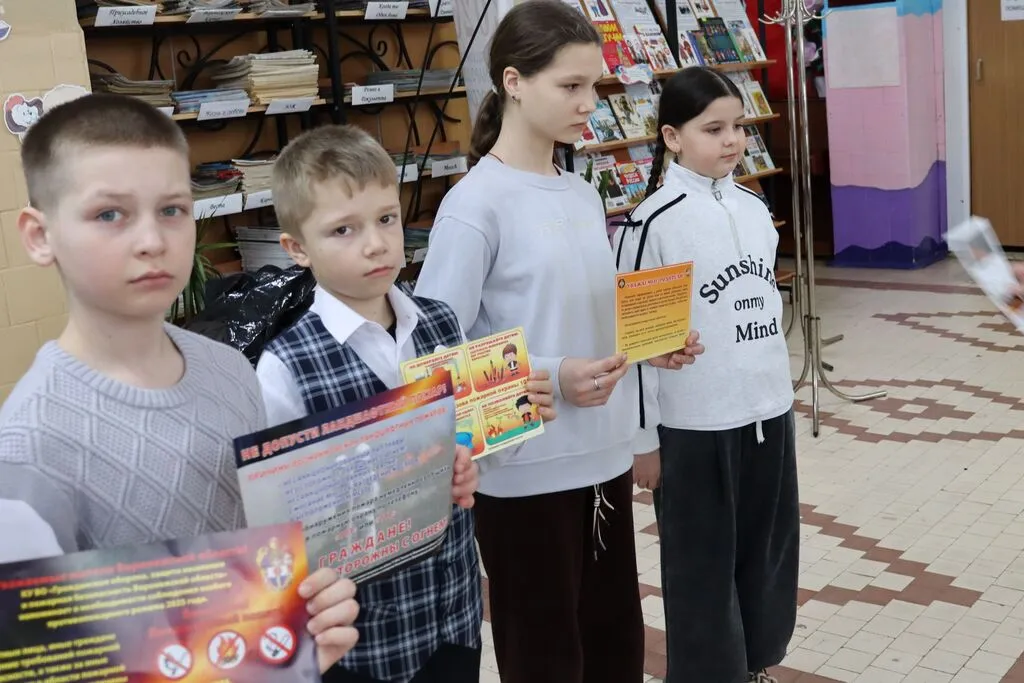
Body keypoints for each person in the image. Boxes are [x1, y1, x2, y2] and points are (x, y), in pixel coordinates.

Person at [0, 93, 360, 671]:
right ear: (40, 236)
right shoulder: (27, 446)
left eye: (172, 209)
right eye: (109, 214)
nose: (153, 239)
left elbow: (261, 553)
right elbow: (44, 659)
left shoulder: (230, 369)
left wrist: (300, 623)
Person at [413, 2, 703, 682]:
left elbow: (575, 315)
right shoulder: (473, 206)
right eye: (571, 85)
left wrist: (646, 343)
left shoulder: (579, 193)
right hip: (524, 478)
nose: (589, 103)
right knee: (546, 661)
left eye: (593, 85)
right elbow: (429, 362)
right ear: (513, 82)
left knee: (614, 654)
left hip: (602, 464)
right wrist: (552, 374)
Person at [254, 123, 556, 683]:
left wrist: (514, 415)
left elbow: (477, 450)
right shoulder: (285, 366)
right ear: (297, 249)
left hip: (453, 613)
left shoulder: (440, 321)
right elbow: (279, 520)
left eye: (386, 219)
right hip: (360, 639)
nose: (375, 243)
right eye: (343, 229)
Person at [614, 67, 799, 683]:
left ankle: (755, 666)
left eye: (738, 126)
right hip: (693, 426)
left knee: (767, 554)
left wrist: (778, 395)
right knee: (700, 567)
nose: (732, 140)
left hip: (767, 413)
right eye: (713, 129)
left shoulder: (754, 207)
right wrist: (644, 440)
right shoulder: (652, 223)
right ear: (672, 136)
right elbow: (638, 345)